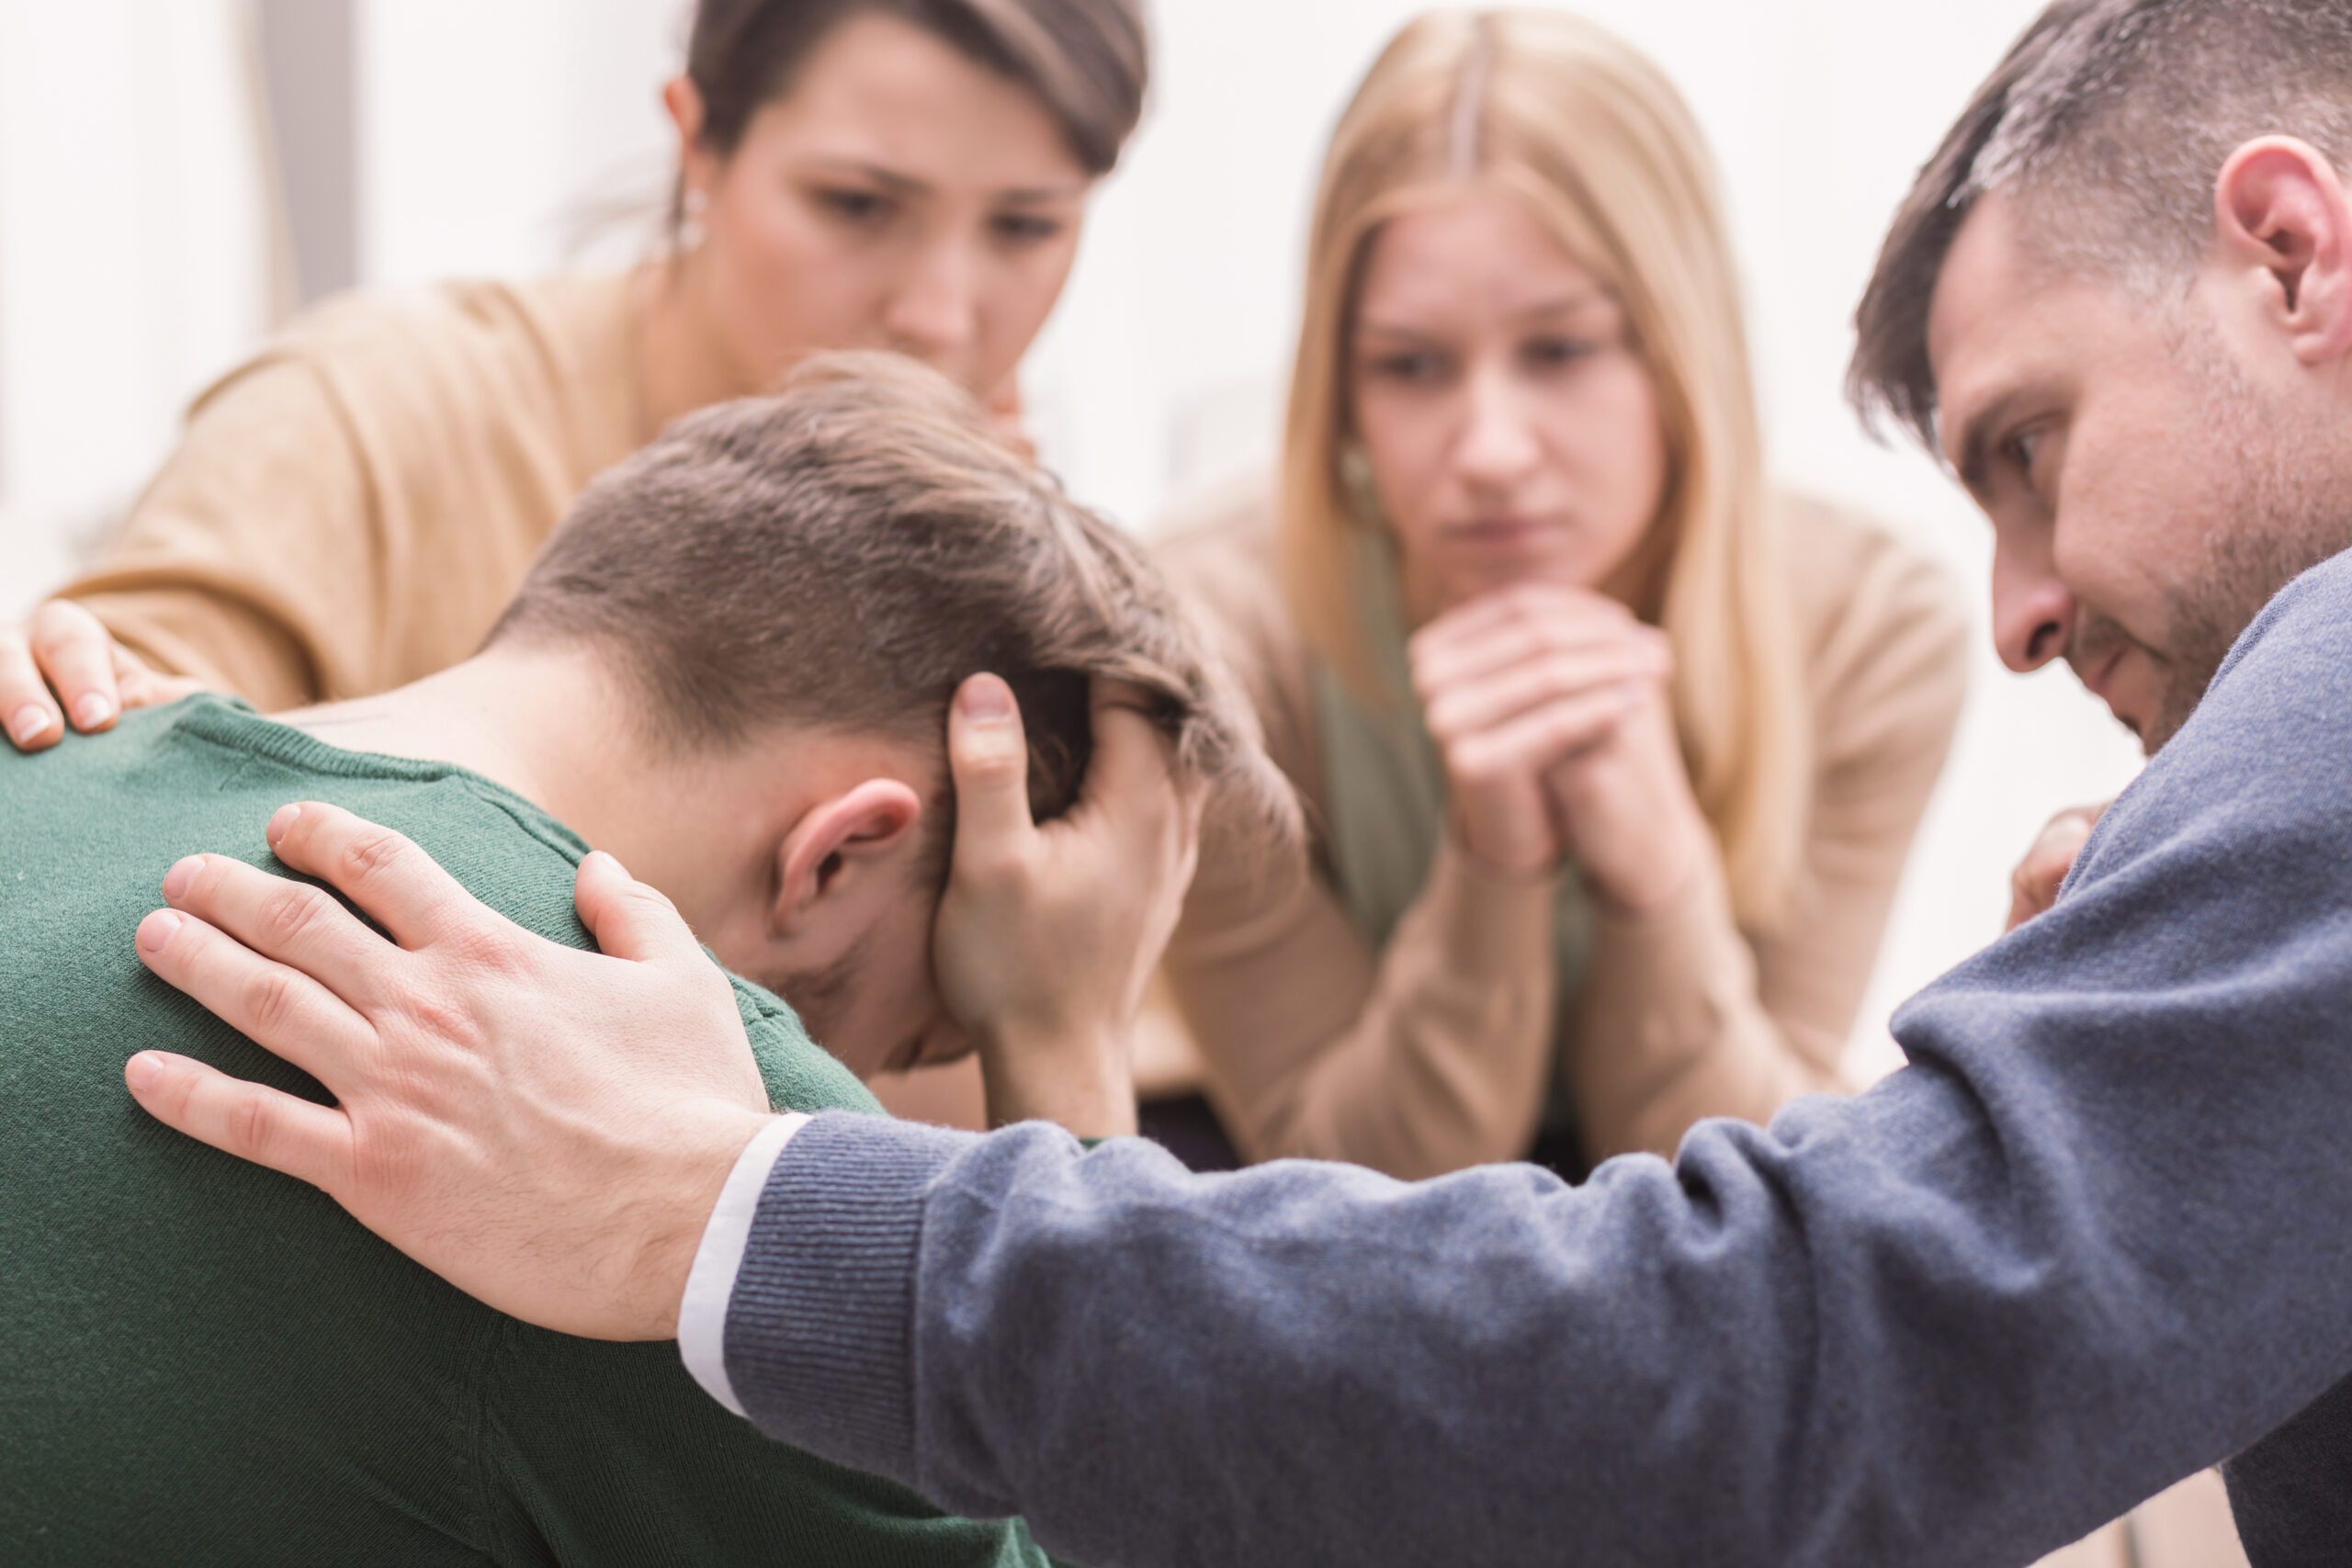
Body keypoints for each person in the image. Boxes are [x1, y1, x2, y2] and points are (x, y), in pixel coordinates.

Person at [105, 0, 2352, 1562]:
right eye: (1406, 365)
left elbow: (1815, 1334)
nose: (2014, 612)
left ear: (2290, 252)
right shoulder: (1187, 637)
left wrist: (726, 1195)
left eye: (2027, 448)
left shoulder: (1946, 636)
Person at [0, 355, 1277, 1561]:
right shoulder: (654, 1128)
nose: (869, 1084)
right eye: (917, 1038)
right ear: (836, 857)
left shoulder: (44, 736)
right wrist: (1067, 1042)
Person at [1148, 9, 1967, 1179]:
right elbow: (1348, 1190)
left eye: (1561, 349)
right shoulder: (1200, 636)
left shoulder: (1870, 626)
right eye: (1409, 365)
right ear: (1336, 387)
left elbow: (1757, 1202)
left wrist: (1657, 876)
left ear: (1682, 348)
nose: (1487, 449)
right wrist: (1494, 864)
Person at [0, 0, 1146, 741]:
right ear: (696, 140)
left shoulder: (1026, 560)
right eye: (856, 205)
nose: (939, 315)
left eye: (1026, 228)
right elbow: (98, 763)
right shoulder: (371, 410)